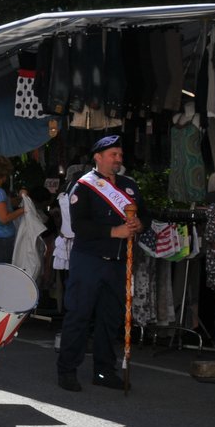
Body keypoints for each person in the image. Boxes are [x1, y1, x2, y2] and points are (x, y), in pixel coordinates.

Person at [56, 135, 146, 392]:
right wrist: (112, 232)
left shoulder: (129, 185)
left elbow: (146, 214)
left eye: (119, 155)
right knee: (79, 314)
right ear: (98, 157)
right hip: (89, 260)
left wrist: (140, 224)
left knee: (110, 318)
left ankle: (104, 370)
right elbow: (79, 225)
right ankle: (67, 370)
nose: (118, 159)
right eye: (113, 155)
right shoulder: (83, 186)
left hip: (118, 262)